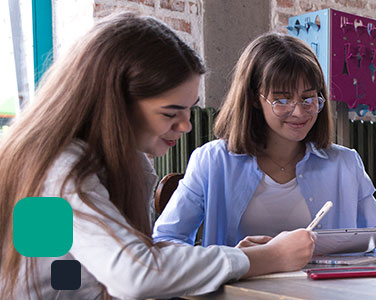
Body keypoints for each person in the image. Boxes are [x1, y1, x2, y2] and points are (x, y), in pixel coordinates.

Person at [0, 13, 315, 299]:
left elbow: (99, 269)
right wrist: (264, 258)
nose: (186, 125)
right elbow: (134, 275)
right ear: (115, 105)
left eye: (189, 110)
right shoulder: (63, 168)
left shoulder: (120, 163)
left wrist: (232, 257)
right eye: (170, 112)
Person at [152, 32, 376, 254]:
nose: (299, 112)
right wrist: (232, 258)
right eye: (282, 99)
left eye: (309, 98)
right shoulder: (212, 161)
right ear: (255, 98)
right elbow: (166, 242)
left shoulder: (345, 163)